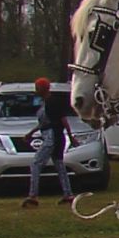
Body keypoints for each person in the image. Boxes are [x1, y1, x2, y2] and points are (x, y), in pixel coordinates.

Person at [22, 77, 78, 208]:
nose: (36, 91)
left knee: (36, 163)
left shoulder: (53, 102)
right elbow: (43, 123)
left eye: (37, 88)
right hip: (54, 135)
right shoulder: (46, 102)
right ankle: (68, 194)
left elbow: (63, 120)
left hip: (52, 136)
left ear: (43, 88)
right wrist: (31, 133)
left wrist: (71, 136)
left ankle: (33, 195)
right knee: (59, 165)